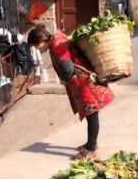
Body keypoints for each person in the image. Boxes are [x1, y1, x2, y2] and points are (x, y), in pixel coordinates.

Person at [27, 25, 114, 160]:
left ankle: (91, 149)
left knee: (92, 114)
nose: (39, 50)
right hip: (84, 80)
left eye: (36, 47)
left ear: (41, 42)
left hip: (84, 83)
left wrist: (65, 79)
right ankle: (91, 143)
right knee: (91, 114)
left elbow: (67, 69)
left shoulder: (57, 46)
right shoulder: (58, 38)